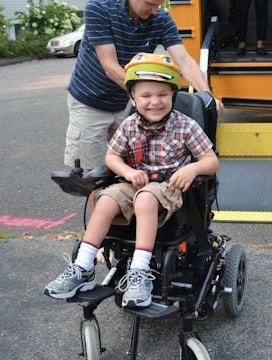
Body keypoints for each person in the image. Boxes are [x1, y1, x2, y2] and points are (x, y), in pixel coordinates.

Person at [45, 53, 220, 308]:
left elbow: (211, 161)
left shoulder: (186, 126)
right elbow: (112, 157)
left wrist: (192, 169)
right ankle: (83, 267)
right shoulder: (129, 126)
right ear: (133, 98)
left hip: (168, 188)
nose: (154, 102)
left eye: (162, 94)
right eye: (146, 96)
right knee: (105, 200)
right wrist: (127, 172)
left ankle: (139, 273)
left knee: (146, 199)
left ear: (173, 94)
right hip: (135, 182)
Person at [64, 0, 224, 171]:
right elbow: (110, 66)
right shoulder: (99, 8)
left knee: (133, 169)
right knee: (93, 173)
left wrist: (208, 97)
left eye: (159, 5)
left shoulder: (161, 19)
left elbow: (184, 60)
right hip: (91, 102)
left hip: (132, 104)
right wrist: (147, 95)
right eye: (150, 4)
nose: (156, 11)